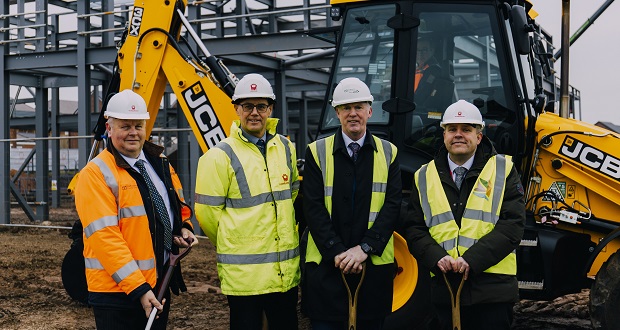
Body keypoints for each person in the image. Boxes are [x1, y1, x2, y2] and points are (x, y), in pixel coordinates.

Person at [74, 89, 197, 330]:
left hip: (158, 281)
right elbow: (105, 238)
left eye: (138, 125)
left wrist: (183, 228)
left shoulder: (159, 163)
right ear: (109, 128)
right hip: (117, 293)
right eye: (125, 126)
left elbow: (176, 206)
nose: (133, 132)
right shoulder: (95, 174)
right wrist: (139, 288)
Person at [402, 100, 525, 330]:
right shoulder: (423, 176)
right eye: (452, 129)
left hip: (492, 294)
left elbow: (513, 226)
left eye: (466, 129)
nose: (459, 135)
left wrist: (472, 260)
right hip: (444, 290)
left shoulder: (503, 170)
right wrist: (436, 257)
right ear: (444, 134)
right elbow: (414, 228)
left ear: (479, 136)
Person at [194, 73, 300, 330]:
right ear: (237, 109)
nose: (255, 113)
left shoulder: (286, 148)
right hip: (245, 278)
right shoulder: (219, 156)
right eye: (248, 106)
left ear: (270, 109)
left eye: (261, 106)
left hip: (283, 273)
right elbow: (208, 215)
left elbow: (292, 196)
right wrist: (235, 242)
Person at [301, 77, 402, 329]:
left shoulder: (389, 152)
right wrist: (337, 251)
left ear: (370, 110)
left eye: (359, 107)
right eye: (346, 108)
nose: (353, 114)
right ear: (337, 112)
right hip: (327, 269)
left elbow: (392, 206)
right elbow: (312, 208)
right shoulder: (316, 151)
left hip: (373, 270)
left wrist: (364, 248)